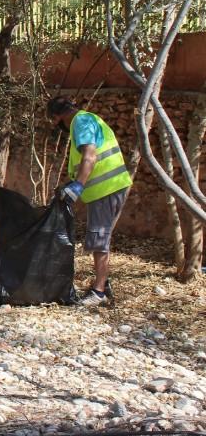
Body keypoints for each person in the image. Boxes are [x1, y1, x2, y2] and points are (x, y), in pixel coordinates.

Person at [47, 96, 132, 307]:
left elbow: (90, 156)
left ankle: (99, 292)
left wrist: (78, 185)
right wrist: (71, 183)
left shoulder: (81, 122)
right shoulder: (86, 118)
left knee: (99, 238)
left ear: (57, 117)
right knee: (100, 237)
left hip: (106, 189)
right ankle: (103, 283)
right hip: (110, 187)